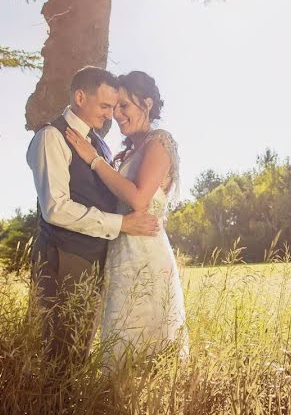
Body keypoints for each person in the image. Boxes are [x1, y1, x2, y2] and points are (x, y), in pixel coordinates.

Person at [26, 66, 159, 359]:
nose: (110, 114)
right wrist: (122, 224)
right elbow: (56, 209)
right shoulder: (52, 136)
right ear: (80, 97)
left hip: (93, 260)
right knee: (56, 354)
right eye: (104, 106)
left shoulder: (98, 143)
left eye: (114, 107)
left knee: (78, 351)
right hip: (64, 258)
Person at [64, 70, 188, 369]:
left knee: (145, 337)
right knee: (119, 335)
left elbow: (138, 199)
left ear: (146, 104)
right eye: (113, 107)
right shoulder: (129, 151)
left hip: (145, 253)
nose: (116, 115)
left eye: (124, 106)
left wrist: (94, 160)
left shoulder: (159, 142)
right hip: (122, 252)